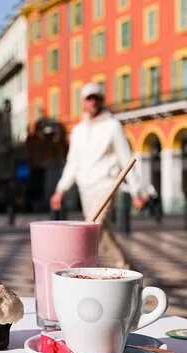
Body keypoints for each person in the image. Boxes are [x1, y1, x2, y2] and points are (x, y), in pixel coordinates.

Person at [50, 82, 148, 268]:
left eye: (96, 98)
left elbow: (126, 160)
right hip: (85, 188)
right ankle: (125, 265)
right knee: (100, 233)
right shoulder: (78, 131)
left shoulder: (113, 126)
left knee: (92, 229)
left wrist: (137, 192)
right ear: (83, 102)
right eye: (89, 98)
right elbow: (72, 163)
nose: (93, 102)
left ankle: (81, 270)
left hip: (106, 186)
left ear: (102, 100)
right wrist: (60, 190)